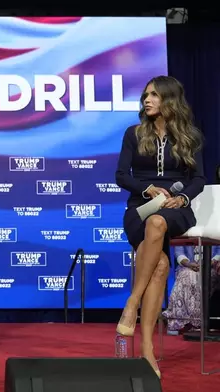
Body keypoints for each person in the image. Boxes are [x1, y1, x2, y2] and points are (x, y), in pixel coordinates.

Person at [115, 75, 206, 378]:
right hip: (140, 208)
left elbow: (198, 180)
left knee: (159, 222)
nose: (147, 100)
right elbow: (121, 175)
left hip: (176, 210)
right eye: (145, 95)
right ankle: (146, 350)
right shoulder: (133, 133)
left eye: (154, 95)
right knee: (161, 265)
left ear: (169, 99)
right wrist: (148, 189)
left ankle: (132, 302)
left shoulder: (189, 136)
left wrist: (180, 198)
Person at [162, 245, 220, 335]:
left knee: (199, 277)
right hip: (187, 267)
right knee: (186, 275)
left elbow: (218, 252)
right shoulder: (186, 232)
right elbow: (179, 252)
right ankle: (177, 321)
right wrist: (189, 264)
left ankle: (196, 322)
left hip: (211, 268)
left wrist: (209, 263)